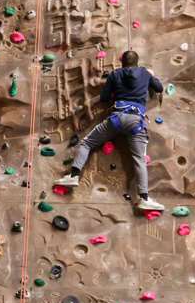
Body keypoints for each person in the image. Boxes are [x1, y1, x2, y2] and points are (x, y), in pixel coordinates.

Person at [58, 50, 165, 211]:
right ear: (137, 62)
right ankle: (143, 198)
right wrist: (150, 76)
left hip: (117, 118)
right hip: (136, 120)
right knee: (139, 160)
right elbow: (159, 87)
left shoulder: (115, 74)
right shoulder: (144, 73)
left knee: (87, 143)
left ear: (122, 63)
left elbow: (104, 98)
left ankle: (74, 176)